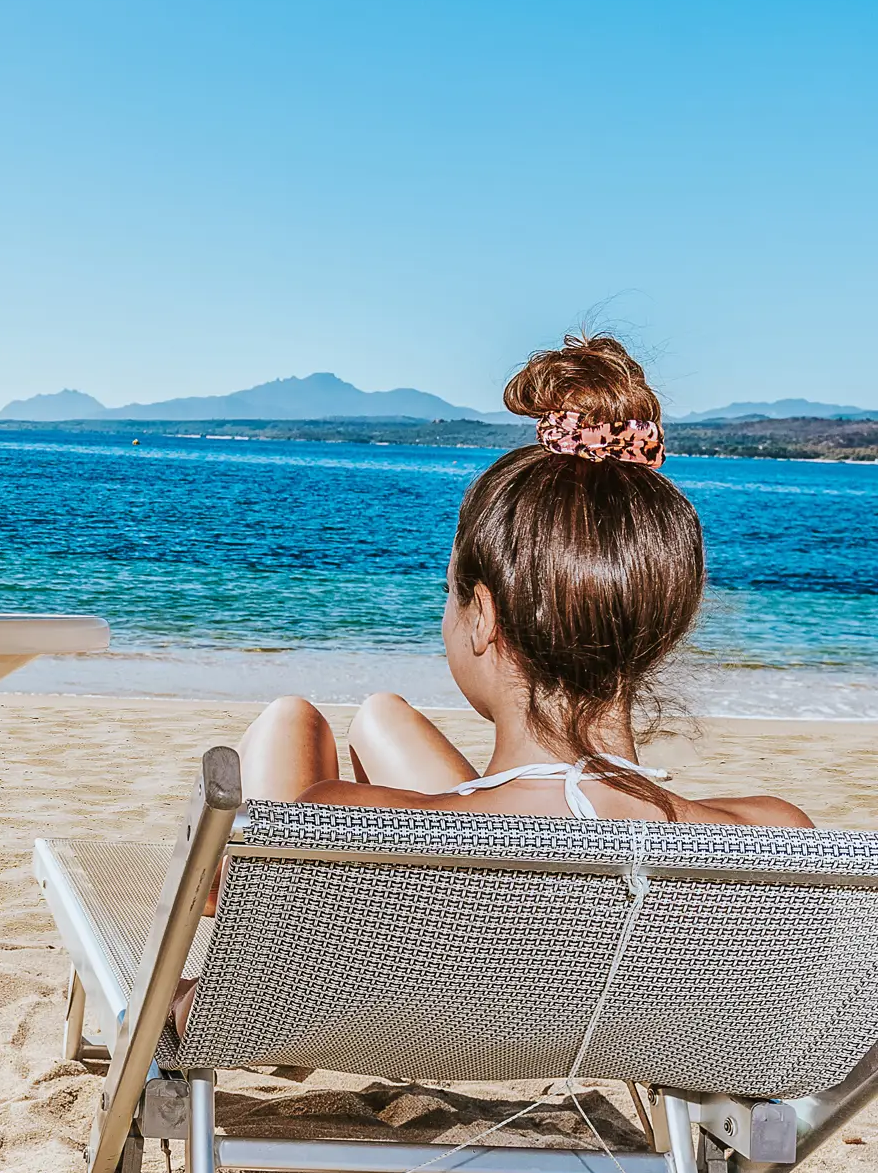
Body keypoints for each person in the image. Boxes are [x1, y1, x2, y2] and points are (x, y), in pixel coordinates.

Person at [177, 334, 811, 1034]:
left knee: (285, 725)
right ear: (667, 627)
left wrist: (183, 1000)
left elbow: (248, 991)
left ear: (483, 617)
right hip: (586, 1013)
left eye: (451, 594)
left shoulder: (340, 823)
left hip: (396, 999)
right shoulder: (774, 836)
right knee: (381, 716)